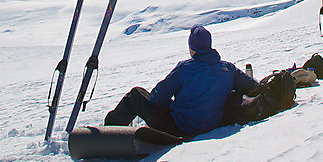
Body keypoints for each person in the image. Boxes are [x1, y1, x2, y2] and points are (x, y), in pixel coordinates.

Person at [104, 25, 257, 137]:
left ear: (192, 46)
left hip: (179, 128)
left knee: (136, 96)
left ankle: (106, 134)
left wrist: (171, 105)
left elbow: (157, 98)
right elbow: (252, 85)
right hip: (212, 125)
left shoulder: (185, 68)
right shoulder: (227, 68)